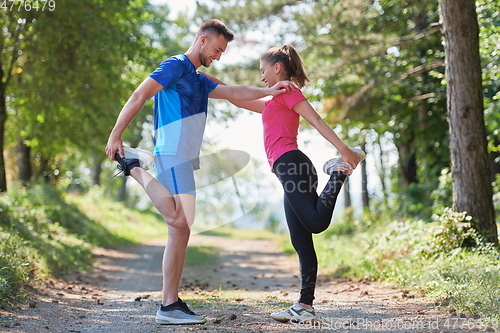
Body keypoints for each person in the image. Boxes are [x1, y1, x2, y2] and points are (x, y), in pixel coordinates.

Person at [105, 19, 293, 325]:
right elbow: (139, 95)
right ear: (202, 40)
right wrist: (116, 135)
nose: (218, 55)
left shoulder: (200, 79)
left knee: (180, 228)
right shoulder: (176, 66)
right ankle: (134, 167)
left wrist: (275, 97)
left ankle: (170, 304)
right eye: (217, 49)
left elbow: (234, 92)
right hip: (172, 152)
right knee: (181, 219)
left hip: (184, 156)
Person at [204, 44, 366, 323]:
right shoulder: (274, 99)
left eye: (263, 70)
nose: (262, 77)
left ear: (277, 67)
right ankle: (305, 306)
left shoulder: (289, 91)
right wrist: (203, 79)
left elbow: (315, 119)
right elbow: (237, 98)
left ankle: (338, 171)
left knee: (316, 223)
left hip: (293, 165)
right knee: (300, 240)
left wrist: (345, 153)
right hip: (289, 170)